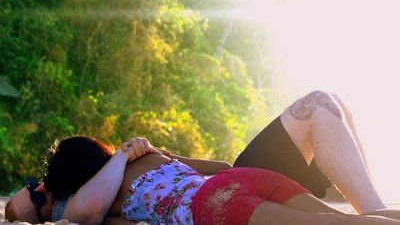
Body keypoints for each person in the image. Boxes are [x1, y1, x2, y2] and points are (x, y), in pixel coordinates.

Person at [5, 90, 400, 224]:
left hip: (227, 188)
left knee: (325, 103)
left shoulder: (130, 169)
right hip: (226, 193)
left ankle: (375, 209)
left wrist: (152, 154)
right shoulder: (101, 194)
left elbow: (225, 170)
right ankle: (376, 212)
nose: (38, 187)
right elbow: (32, 211)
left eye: (39, 186)